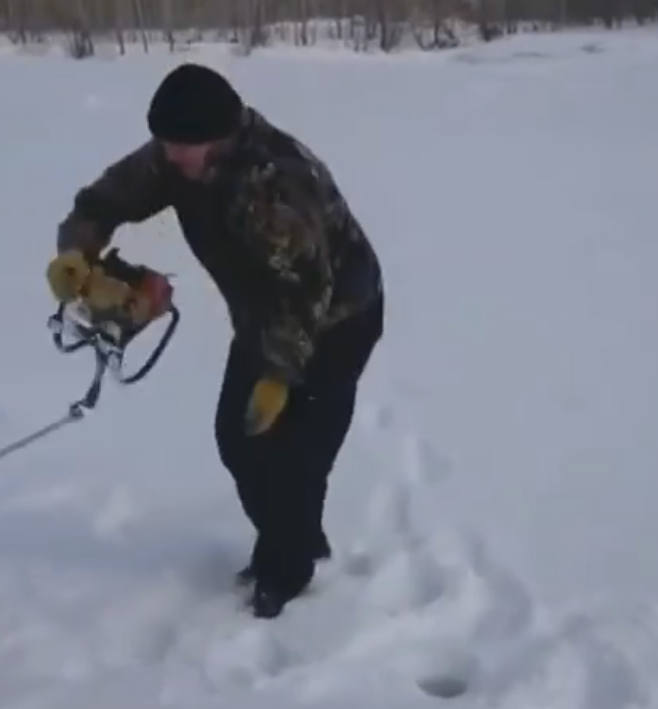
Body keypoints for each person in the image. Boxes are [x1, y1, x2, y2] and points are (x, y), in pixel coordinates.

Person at [46, 63, 384, 618]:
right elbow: (105, 199)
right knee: (239, 439)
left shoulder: (275, 188)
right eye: (165, 143)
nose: (168, 155)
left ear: (220, 137)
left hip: (337, 322)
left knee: (298, 453)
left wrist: (277, 376)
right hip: (262, 313)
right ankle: (293, 535)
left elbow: (303, 293)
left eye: (181, 146)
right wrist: (75, 252)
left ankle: (288, 570)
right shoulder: (181, 155)